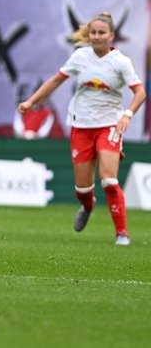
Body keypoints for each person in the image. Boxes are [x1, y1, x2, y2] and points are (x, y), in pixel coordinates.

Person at [18, 12, 145, 246]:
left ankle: (122, 233)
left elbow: (140, 93)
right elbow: (56, 80)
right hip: (81, 125)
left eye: (101, 33)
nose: (97, 37)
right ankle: (88, 205)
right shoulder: (80, 57)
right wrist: (31, 102)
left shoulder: (121, 62)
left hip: (109, 125)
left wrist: (127, 115)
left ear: (111, 36)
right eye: (93, 33)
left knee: (108, 179)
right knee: (82, 189)